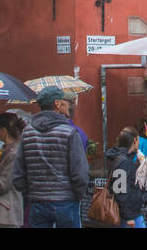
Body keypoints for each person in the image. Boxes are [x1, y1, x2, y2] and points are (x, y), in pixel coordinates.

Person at [13, 87, 90, 228]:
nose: (69, 104)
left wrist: (30, 193)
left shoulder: (27, 133)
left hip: (37, 201)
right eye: (65, 101)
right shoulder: (69, 133)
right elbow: (80, 173)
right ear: (57, 104)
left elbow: (18, 173)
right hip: (66, 200)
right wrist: (77, 195)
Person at [106, 126, 146, 228]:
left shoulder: (122, 157)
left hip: (128, 213)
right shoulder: (123, 161)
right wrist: (129, 217)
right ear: (134, 140)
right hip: (128, 215)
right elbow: (120, 190)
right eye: (138, 139)